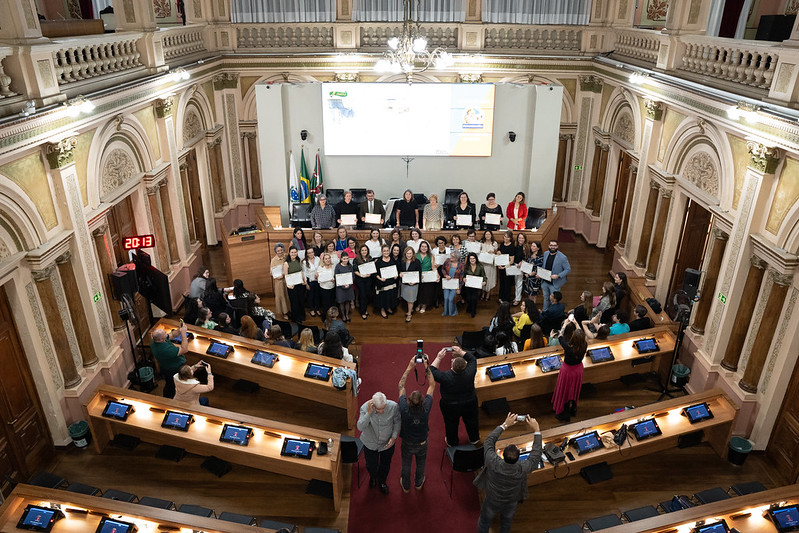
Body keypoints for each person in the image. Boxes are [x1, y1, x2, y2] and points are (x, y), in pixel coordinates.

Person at [475, 413, 542, 533]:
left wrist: (505, 425)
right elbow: (536, 454)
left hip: (492, 498)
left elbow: (489, 441)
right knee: (506, 524)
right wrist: (536, 430)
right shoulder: (523, 468)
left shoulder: (492, 461)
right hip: (511, 500)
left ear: (502, 455)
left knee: (484, 522)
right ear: (519, 458)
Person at [397, 354, 435, 492]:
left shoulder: (404, 408)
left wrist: (410, 366)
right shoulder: (426, 408)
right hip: (422, 442)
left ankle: (406, 485)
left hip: (407, 442)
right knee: (421, 463)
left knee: (406, 464)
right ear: (422, 400)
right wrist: (426, 365)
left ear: (409, 400)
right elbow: (432, 385)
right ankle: (418, 483)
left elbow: (401, 385)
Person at [430, 345, 480, 446]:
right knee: (472, 421)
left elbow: (431, 371)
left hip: (450, 405)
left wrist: (439, 357)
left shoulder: (445, 377)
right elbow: (472, 359)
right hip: (470, 402)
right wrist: (461, 352)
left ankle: (452, 442)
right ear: (465, 366)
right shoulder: (470, 372)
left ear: (452, 365)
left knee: (451, 423)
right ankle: (474, 439)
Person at [357, 392, 400, 495]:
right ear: (373, 405)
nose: (381, 411)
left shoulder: (393, 407)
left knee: (385, 465)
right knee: (371, 465)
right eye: (378, 409)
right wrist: (369, 413)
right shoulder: (365, 408)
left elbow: (397, 422)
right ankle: (372, 477)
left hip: (387, 443)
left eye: (383, 408)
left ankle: (382, 482)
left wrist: (394, 437)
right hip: (370, 443)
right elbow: (360, 427)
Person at [552, 327, 587, 421]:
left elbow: (560, 338)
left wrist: (562, 329)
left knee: (566, 392)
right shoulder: (584, 345)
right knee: (574, 390)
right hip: (578, 370)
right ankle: (574, 408)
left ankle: (565, 413)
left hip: (568, 372)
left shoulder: (569, 348)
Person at [150, 324, 188, 399]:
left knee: (169, 384)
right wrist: (183, 333)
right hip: (173, 369)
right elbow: (184, 349)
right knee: (173, 386)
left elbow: (172, 335)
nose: (166, 333)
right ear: (161, 339)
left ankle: (167, 397)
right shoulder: (164, 350)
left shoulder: (156, 341)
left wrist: (179, 329)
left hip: (166, 367)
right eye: (164, 333)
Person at [540, 240, 571, 310]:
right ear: (549, 246)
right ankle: (545, 312)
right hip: (545, 282)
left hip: (555, 284)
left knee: (554, 301)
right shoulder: (546, 253)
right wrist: (540, 274)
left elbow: (568, 269)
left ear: (557, 246)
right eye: (551, 245)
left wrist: (558, 275)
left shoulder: (563, 257)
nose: (552, 247)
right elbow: (544, 266)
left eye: (554, 246)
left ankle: (552, 313)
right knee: (545, 298)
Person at [374, 244, 398, 319]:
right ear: (382, 252)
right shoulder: (378, 261)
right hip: (382, 282)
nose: (386, 252)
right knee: (383, 297)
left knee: (390, 295)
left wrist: (396, 275)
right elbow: (375, 273)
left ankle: (388, 307)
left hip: (391, 282)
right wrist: (380, 278)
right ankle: (382, 309)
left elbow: (395, 269)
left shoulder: (392, 259)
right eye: (384, 251)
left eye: (387, 251)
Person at [283, 245, 307, 323]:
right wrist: (289, 285)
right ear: (289, 253)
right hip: (291, 286)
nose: (293, 254)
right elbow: (286, 275)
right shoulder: (286, 263)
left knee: (301, 300)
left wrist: (304, 280)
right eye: (292, 252)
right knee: (294, 302)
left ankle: (301, 315)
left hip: (299, 284)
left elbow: (301, 271)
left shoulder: (299, 260)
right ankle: (296, 318)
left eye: (295, 252)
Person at [398, 246, 421, 322]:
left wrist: (415, 281)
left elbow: (419, 274)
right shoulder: (402, 261)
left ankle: (409, 314)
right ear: (405, 254)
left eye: (410, 253)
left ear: (413, 253)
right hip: (405, 284)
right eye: (407, 253)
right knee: (407, 299)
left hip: (413, 284)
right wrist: (400, 274)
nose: (409, 255)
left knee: (410, 300)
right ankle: (410, 310)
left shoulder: (417, 261)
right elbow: (400, 271)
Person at [440, 250, 464, 317]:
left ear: (457, 258)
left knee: (451, 299)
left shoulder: (461, 265)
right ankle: (446, 312)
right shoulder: (447, 261)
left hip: (455, 285)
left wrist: (459, 288)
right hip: (447, 283)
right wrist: (445, 275)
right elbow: (443, 269)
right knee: (446, 298)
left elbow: (461, 277)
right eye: (451, 256)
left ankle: (452, 312)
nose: (451, 257)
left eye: (452, 257)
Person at [463, 252, 487, 318]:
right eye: (470, 259)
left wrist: (484, 282)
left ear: (476, 259)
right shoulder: (466, 266)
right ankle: (469, 307)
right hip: (468, 285)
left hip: (476, 286)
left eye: (473, 258)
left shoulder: (480, 267)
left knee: (474, 298)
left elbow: (484, 276)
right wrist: (464, 278)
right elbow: (464, 275)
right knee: (468, 298)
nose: (472, 260)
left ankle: (473, 311)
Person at [354, 244, 374, 320]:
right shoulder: (357, 259)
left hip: (368, 279)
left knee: (367, 294)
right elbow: (355, 270)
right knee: (362, 295)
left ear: (367, 251)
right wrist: (361, 275)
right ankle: (362, 312)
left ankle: (365, 309)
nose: (364, 251)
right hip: (360, 279)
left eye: (365, 250)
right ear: (360, 251)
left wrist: (370, 273)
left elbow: (372, 268)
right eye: (362, 250)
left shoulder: (370, 258)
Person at [497, 230, 517, 304]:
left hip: (508, 268)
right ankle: (501, 298)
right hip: (501, 268)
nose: (506, 238)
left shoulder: (512, 246)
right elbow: (500, 256)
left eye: (508, 237)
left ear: (510, 238)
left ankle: (506, 300)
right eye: (505, 237)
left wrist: (504, 267)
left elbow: (511, 260)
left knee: (507, 284)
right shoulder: (502, 244)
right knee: (501, 283)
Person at [271, 243, 290, 319]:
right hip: (279, 281)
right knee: (282, 296)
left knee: (288, 295)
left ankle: (290, 310)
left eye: (281, 250)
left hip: (288, 279)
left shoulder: (286, 256)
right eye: (278, 251)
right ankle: (284, 312)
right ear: (275, 252)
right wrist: (278, 276)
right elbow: (272, 272)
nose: (280, 252)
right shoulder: (273, 260)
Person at [416, 240, 436, 314]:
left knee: (426, 292)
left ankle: (424, 305)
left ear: (428, 248)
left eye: (425, 247)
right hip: (418, 276)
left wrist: (436, 275)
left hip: (428, 276)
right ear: (420, 247)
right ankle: (419, 304)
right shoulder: (415, 255)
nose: (424, 248)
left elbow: (433, 267)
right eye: (422, 246)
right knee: (419, 291)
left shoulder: (431, 256)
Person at [335, 252, 355, 322]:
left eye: (347, 258)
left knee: (347, 301)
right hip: (340, 288)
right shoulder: (338, 267)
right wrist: (343, 286)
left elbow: (353, 277)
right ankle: (343, 315)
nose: (346, 260)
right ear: (341, 259)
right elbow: (337, 277)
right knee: (341, 302)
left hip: (349, 287)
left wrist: (349, 285)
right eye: (344, 259)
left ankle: (347, 315)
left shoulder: (350, 266)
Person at [302, 247, 321, 317]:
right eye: (309, 253)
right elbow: (304, 273)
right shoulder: (304, 262)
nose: (311, 254)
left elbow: (320, 267)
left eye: (312, 252)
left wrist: (318, 273)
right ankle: (311, 309)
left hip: (318, 280)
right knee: (310, 296)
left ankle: (317, 308)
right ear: (307, 254)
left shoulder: (318, 259)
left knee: (317, 295)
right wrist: (306, 284)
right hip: (310, 281)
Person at [480, 230, 498, 301]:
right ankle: (483, 293)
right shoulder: (481, 242)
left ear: (491, 235)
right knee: (483, 278)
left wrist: (493, 252)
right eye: (486, 234)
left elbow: (496, 252)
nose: (487, 236)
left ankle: (488, 294)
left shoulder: (494, 243)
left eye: (489, 234)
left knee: (489, 278)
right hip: (483, 264)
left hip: (490, 265)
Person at [511, 232, 527, 305]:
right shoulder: (515, 246)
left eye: (522, 238)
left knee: (519, 283)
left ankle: (518, 299)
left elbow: (526, 257)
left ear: (524, 239)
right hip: (514, 266)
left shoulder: (526, 247)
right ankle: (516, 297)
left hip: (521, 266)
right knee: (515, 283)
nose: (520, 239)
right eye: (519, 238)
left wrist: (522, 262)